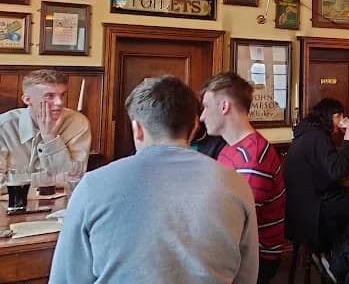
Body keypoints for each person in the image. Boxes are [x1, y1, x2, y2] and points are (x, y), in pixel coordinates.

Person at [50, 76, 259, 283]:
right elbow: (247, 275)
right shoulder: (236, 184)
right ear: (194, 127)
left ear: (137, 129)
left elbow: (65, 278)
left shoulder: (92, 186)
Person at [201, 72, 287, 283]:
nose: (202, 116)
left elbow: (235, 226)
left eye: (205, 107)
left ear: (224, 107)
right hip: (237, 249)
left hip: (256, 258)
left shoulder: (253, 157)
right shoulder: (230, 149)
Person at [284, 98, 349, 257]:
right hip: (314, 212)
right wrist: (347, 142)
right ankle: (341, 258)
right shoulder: (318, 137)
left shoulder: (307, 134)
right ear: (328, 116)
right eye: (338, 115)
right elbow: (336, 171)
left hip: (298, 210)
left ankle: (337, 254)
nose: (341, 120)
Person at [0, 69, 90, 176]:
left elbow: (72, 177)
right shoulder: (4, 126)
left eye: (62, 95)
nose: (59, 102)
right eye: (50, 96)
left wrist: (50, 138)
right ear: (27, 100)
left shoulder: (77, 123)